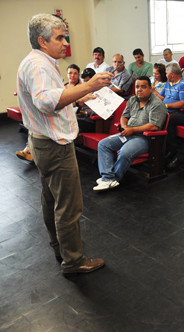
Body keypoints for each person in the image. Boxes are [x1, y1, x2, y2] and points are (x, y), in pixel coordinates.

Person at [17, 13, 112, 274]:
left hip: (41, 141)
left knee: (51, 199)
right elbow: (47, 102)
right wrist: (88, 85)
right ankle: (74, 261)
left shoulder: (37, 61)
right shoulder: (39, 65)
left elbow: (53, 98)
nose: (64, 43)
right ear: (42, 41)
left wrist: (78, 97)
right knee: (69, 206)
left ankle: (58, 246)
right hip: (55, 146)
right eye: (59, 38)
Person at [94, 76, 166, 191]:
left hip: (144, 138)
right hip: (128, 133)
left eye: (143, 87)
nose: (139, 89)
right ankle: (108, 177)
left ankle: (113, 178)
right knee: (103, 144)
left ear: (150, 88)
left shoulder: (157, 104)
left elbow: (154, 126)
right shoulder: (133, 100)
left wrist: (132, 130)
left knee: (124, 152)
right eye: (137, 87)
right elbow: (124, 116)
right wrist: (124, 128)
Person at [75, 68, 97, 133]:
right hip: (78, 118)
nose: (86, 83)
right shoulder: (83, 90)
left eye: (87, 81)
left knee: (72, 125)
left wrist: (86, 113)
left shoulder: (100, 91)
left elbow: (103, 111)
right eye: (84, 81)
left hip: (89, 121)